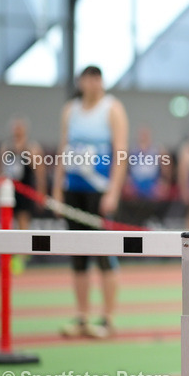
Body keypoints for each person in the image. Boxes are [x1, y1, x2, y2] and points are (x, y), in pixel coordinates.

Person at [52, 66, 129, 338]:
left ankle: (107, 319)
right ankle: (82, 317)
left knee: (104, 253)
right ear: (81, 82)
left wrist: (113, 191)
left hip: (100, 191)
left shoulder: (112, 109)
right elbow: (63, 149)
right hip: (73, 189)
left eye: (98, 77)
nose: (93, 82)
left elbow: (121, 151)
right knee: (78, 254)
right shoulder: (70, 110)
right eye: (88, 77)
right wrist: (57, 188)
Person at [0, 115, 47, 232]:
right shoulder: (5, 148)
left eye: (20, 128)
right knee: (7, 223)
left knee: (23, 224)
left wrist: (41, 193)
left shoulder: (32, 149)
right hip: (9, 190)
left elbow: (40, 174)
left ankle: (22, 250)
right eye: (15, 128)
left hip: (25, 191)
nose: (17, 131)